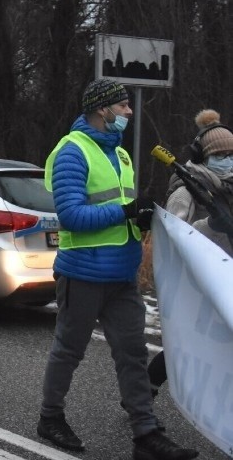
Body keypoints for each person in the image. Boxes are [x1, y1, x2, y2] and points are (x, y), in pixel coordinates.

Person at [37, 78, 198, 460]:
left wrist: (139, 218)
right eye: (122, 105)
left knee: (133, 353)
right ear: (101, 109)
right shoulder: (73, 151)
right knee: (69, 350)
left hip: (122, 275)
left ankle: (146, 433)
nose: (129, 112)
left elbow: (119, 208)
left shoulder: (120, 154)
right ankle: (50, 416)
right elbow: (72, 216)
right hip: (83, 273)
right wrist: (125, 211)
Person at [149, 109, 233, 395]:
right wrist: (210, 224)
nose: (229, 161)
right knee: (193, 345)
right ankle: (146, 387)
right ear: (202, 158)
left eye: (232, 154)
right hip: (199, 281)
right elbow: (175, 238)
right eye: (221, 155)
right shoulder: (186, 191)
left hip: (226, 276)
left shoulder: (229, 189)